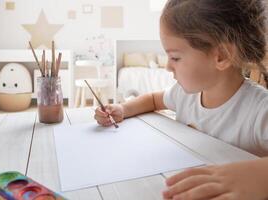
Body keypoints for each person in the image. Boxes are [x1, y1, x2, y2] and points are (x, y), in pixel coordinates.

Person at [95, 0, 268, 197]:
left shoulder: (260, 110)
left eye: (175, 58)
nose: (168, 67)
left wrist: (257, 176)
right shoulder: (186, 94)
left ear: (221, 56)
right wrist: (123, 109)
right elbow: (153, 99)